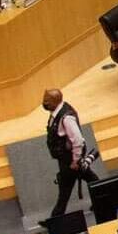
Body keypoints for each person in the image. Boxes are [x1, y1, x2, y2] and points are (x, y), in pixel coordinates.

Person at [42, 88, 95, 219]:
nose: (44, 103)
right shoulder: (57, 113)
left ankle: (55, 218)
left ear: (55, 101)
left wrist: (75, 160)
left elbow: (77, 140)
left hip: (70, 159)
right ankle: (103, 197)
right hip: (66, 157)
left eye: (47, 101)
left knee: (65, 186)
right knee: (89, 178)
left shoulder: (66, 118)